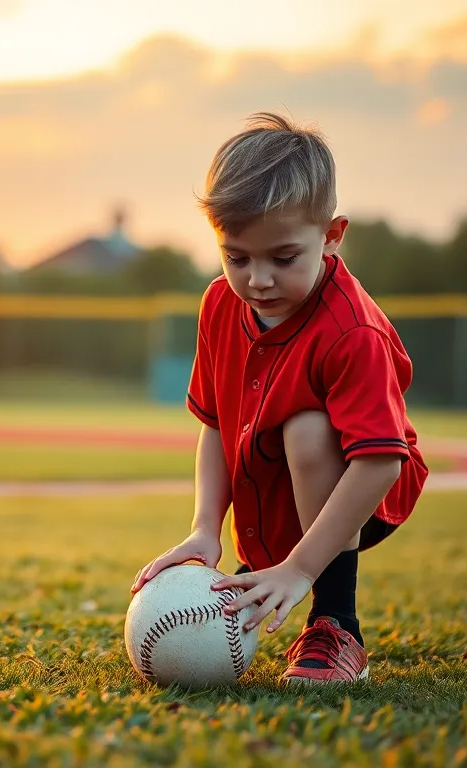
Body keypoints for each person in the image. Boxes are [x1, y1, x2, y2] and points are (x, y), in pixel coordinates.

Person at [130, 112, 428, 684]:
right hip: (268, 476)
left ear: (332, 236)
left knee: (308, 425)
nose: (258, 280)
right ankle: (265, 570)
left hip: (361, 482)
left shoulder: (351, 330)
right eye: (236, 256)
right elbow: (215, 425)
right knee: (291, 430)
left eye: (283, 258)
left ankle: (336, 624)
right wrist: (203, 529)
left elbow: (380, 460)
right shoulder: (220, 303)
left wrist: (300, 568)